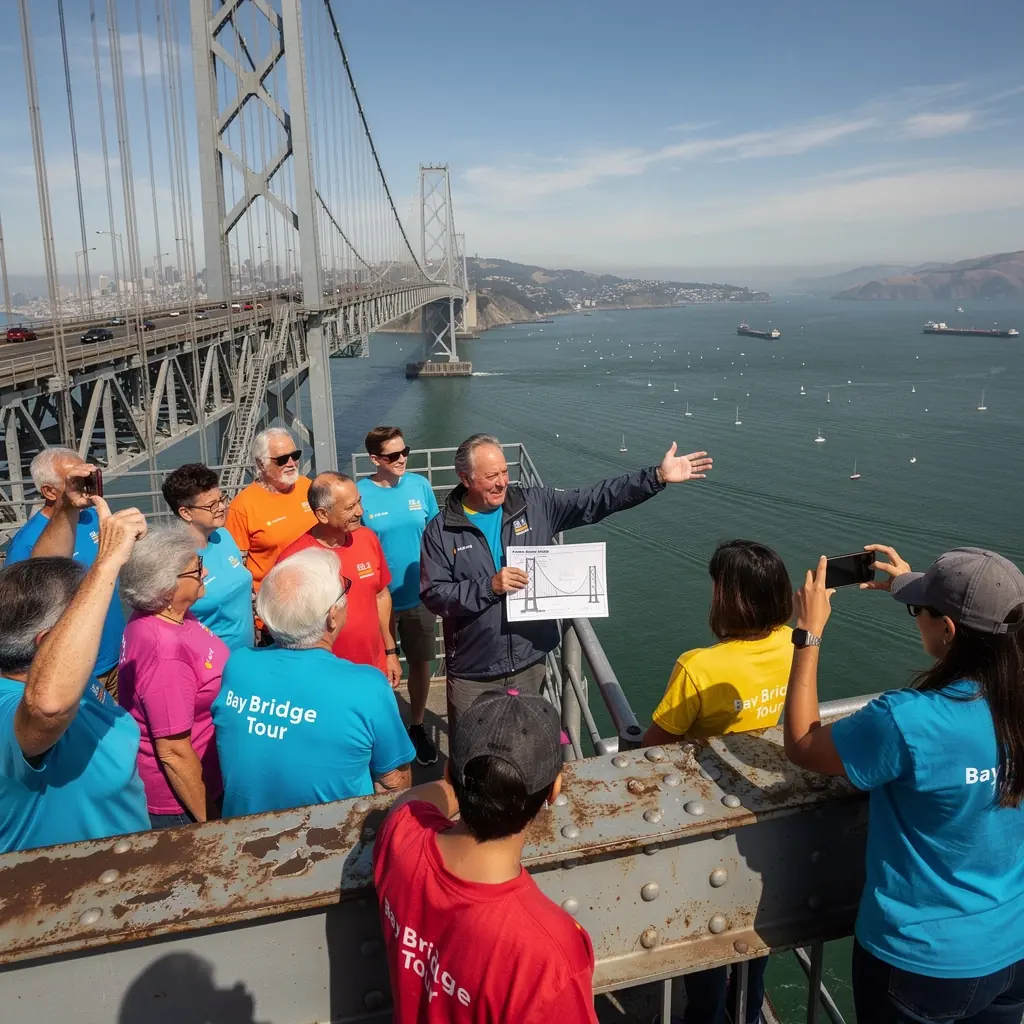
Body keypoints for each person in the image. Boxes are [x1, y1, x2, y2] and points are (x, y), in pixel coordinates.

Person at [783, 545, 1024, 1024]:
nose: (917, 619)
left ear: (948, 630)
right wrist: (906, 584)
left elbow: (804, 745)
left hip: (918, 963)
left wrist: (808, 634)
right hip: (1010, 949)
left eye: (920, 610)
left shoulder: (909, 721)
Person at [421, 433, 714, 737]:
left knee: (529, 754)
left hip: (529, 662)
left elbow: (595, 499)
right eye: (491, 476)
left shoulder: (535, 505)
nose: (502, 482)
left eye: (505, 472)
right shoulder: (441, 531)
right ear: (465, 478)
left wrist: (655, 477)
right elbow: (434, 595)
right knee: (472, 756)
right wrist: (489, 586)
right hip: (473, 671)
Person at [373, 688, 599, 1023]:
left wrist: (473, 781)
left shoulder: (402, 834)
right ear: (554, 789)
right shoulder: (550, 955)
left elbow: (415, 800)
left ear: (450, 774)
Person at [643, 540, 793, 1024]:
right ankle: (746, 1012)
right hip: (770, 816)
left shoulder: (699, 667)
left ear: (728, 598)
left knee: (705, 939)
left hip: (709, 824)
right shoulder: (796, 645)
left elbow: (652, 746)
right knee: (755, 931)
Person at [211, 548, 414, 816]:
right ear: (332, 616)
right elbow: (393, 781)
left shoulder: (239, 665)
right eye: (345, 591)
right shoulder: (366, 687)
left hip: (244, 839)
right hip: (334, 845)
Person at [0, 498, 149, 853]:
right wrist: (107, 563)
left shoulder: (63, 675)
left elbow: (40, 574)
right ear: (48, 644)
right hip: (71, 888)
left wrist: (65, 506)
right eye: (77, 616)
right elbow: (46, 708)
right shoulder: (12, 707)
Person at [117, 522, 227, 829]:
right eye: (196, 570)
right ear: (167, 589)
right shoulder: (163, 649)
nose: (204, 573)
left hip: (209, 768)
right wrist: (212, 823)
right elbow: (174, 752)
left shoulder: (171, 615)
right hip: (181, 801)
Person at [8, 448, 126, 698]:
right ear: (50, 491)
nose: (86, 485)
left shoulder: (92, 516)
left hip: (118, 656)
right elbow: (23, 620)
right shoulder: (27, 543)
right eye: (75, 480)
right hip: (80, 671)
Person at [357, 427, 441, 765]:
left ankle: (417, 725)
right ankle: (382, 730)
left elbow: (437, 534)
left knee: (421, 662)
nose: (402, 458)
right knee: (378, 669)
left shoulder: (421, 485)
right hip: (376, 599)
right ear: (375, 460)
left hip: (419, 595)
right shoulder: (359, 494)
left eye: (405, 451)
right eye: (393, 455)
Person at [278, 471, 401, 685]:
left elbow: (381, 595)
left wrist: (390, 652)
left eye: (359, 503)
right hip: (325, 679)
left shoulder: (367, 538)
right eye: (349, 508)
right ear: (323, 514)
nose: (360, 512)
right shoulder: (294, 561)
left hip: (375, 671)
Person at [162, 463, 254, 650]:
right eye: (212, 505)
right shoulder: (176, 562)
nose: (221, 507)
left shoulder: (224, 536)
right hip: (209, 662)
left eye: (222, 499)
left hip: (246, 653)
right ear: (186, 512)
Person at [224, 427, 316, 599]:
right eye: (282, 459)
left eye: (295, 455)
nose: (291, 463)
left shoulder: (309, 487)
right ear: (261, 464)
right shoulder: (243, 506)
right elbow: (236, 565)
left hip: (315, 595)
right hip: (275, 603)